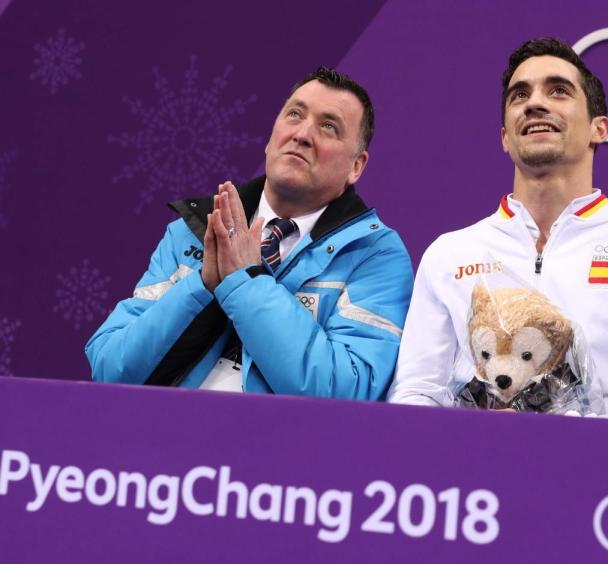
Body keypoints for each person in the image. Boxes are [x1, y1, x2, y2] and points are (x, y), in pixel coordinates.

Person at [388, 38, 608, 421]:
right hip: (467, 471)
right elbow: (416, 394)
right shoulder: (449, 255)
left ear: (600, 128)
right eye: (520, 95)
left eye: (559, 91)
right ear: (504, 137)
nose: (534, 103)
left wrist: (549, 446)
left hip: (597, 474)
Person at [86, 67, 413, 399]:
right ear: (270, 140)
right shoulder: (193, 232)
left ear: (356, 166)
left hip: (275, 448)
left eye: (328, 127)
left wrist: (246, 281)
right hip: (161, 440)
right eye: (294, 115)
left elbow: (347, 393)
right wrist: (201, 287)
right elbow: (110, 368)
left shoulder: (375, 255)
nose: (302, 134)